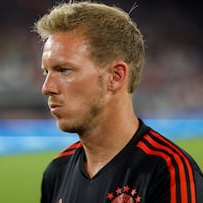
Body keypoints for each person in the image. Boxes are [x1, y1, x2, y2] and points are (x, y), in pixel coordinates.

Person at [33, 1, 203, 203]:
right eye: (46, 71)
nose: (47, 87)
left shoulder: (169, 172)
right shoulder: (56, 173)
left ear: (115, 77)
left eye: (64, 70)